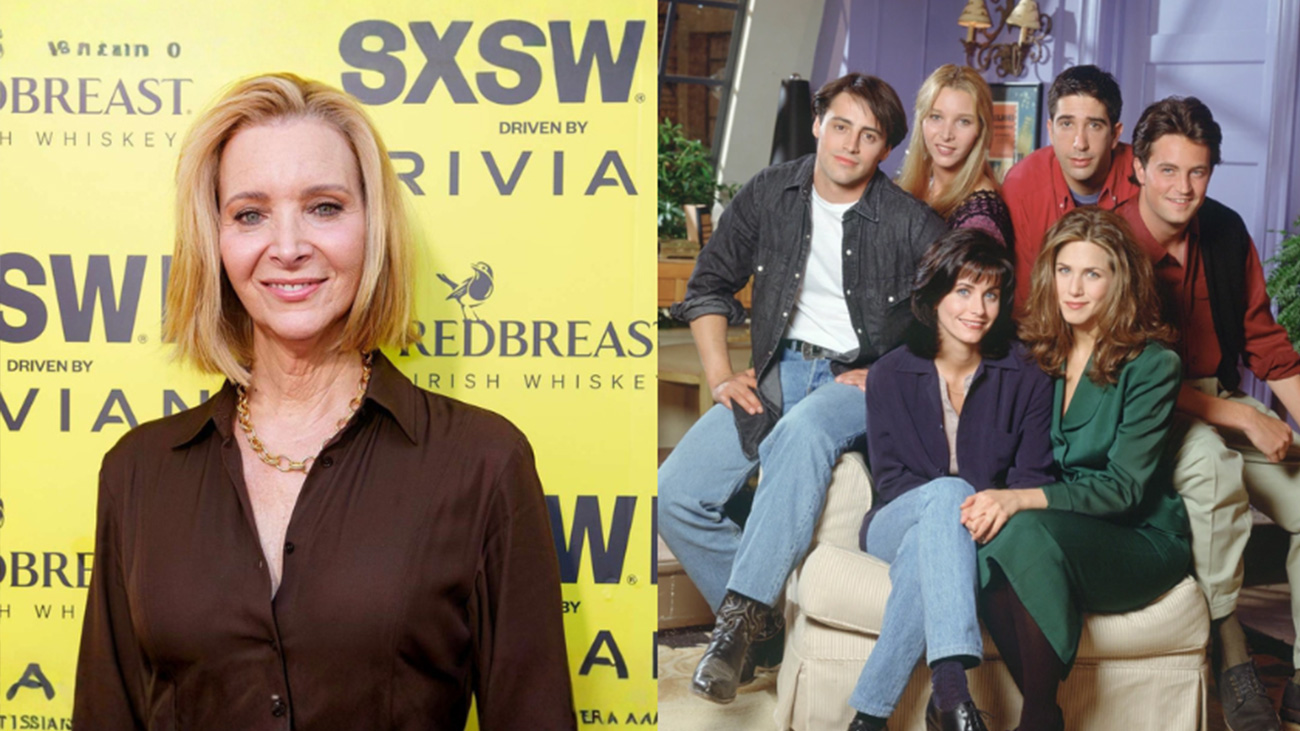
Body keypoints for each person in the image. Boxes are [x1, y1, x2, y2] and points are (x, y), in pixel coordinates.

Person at [72, 73, 576, 730]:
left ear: (374, 227)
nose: (287, 247)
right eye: (249, 213)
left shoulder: (482, 462)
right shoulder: (139, 469)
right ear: (215, 240)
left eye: (325, 207)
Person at [658, 72, 947, 704]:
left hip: (857, 381)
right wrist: (719, 374)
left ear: (885, 150)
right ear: (818, 123)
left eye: (869, 136)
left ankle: (733, 629)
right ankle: (765, 634)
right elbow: (708, 286)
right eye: (840, 126)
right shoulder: (771, 192)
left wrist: (896, 371)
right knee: (674, 494)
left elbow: (963, 317)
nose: (849, 145)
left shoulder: (908, 222)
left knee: (802, 430)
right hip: (778, 369)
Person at [1116, 96, 1300, 731]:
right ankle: (1234, 655)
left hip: (1217, 395)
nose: (1183, 187)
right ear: (1137, 167)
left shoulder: (1223, 230)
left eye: (1197, 172)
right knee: (1217, 473)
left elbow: (1267, 346)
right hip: (1138, 408)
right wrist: (1246, 418)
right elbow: (1119, 367)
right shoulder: (1107, 240)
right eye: (1167, 170)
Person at [969, 207, 1191, 730]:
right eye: (1065, 271)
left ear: (1121, 282)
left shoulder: (1153, 364)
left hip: (1137, 538)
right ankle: (1044, 712)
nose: (1074, 288)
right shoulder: (1037, 352)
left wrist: (1021, 498)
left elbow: (1123, 488)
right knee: (983, 537)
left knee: (1020, 528)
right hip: (1058, 528)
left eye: (1093, 274)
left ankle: (1040, 715)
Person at [847, 229, 1054, 731]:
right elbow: (893, 479)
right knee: (947, 495)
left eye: (990, 294)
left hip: (983, 526)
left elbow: (1030, 473)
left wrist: (984, 512)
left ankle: (871, 718)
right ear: (935, 295)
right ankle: (951, 688)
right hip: (895, 522)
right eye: (963, 290)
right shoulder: (891, 374)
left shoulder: (1026, 372)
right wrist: (958, 505)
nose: (977, 308)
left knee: (933, 550)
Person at [1001, 65, 1140, 308]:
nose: (1080, 143)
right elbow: (1027, 302)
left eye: (1094, 125)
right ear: (1050, 131)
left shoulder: (1143, 178)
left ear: (1115, 135)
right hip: (1049, 333)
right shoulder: (1021, 185)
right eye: (1066, 124)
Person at [897, 65, 1014, 246]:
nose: (946, 134)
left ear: (981, 130)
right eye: (936, 117)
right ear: (922, 121)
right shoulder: (913, 187)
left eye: (963, 121)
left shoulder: (981, 218)